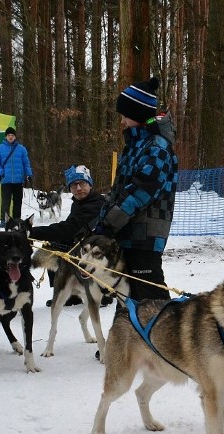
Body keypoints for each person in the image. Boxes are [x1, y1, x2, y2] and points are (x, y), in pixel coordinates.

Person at [89, 76, 178, 301]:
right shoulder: (135, 145)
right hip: (127, 232)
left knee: (151, 299)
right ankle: (132, 336)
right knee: (128, 300)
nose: (122, 121)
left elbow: (140, 193)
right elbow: (119, 189)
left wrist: (110, 222)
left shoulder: (157, 148)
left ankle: (167, 336)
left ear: (138, 115)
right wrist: (101, 220)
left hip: (145, 236)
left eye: (125, 116)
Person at [30, 165, 106, 307]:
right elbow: (70, 228)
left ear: (90, 184)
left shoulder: (96, 204)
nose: (78, 188)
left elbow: (69, 228)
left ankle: (100, 292)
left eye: (82, 184)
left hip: (97, 251)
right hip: (83, 244)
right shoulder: (79, 203)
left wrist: (33, 232)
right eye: (73, 185)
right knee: (52, 246)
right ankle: (71, 293)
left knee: (55, 248)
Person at [0, 126, 33, 228]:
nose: (10, 137)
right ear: (6, 136)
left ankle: (17, 220)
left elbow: (26, 163)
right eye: (9, 135)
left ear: (15, 137)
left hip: (19, 181)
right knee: (5, 202)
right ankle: (4, 221)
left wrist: (29, 174)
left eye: (12, 135)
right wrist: (1, 172)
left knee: (18, 202)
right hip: (6, 180)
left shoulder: (21, 149)